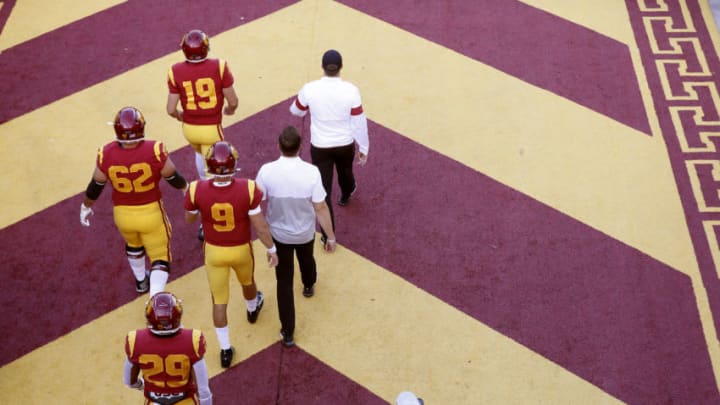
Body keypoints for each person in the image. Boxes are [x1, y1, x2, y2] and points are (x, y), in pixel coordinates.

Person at [184, 140, 278, 368]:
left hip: (214, 251)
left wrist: (201, 209)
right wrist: (271, 248)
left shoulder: (196, 189)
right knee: (247, 282)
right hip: (240, 248)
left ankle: (225, 349)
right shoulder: (247, 188)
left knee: (219, 301)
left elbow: (190, 218)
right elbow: (260, 225)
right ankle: (252, 309)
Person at [80, 106, 187, 297]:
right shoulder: (154, 149)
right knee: (160, 258)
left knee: (133, 245)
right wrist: (185, 189)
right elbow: (172, 176)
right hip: (151, 213)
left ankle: (140, 281)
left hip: (122, 214)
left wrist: (86, 206)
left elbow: (96, 184)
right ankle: (155, 299)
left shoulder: (106, 153)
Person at [255, 126, 337, 347]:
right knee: (307, 258)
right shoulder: (311, 172)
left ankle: (288, 331)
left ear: (279, 146)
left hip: (278, 234)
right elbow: (320, 207)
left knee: (283, 281)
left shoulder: (267, 171)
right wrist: (330, 236)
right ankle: (309, 284)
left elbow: (255, 202)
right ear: (300, 147)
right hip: (304, 232)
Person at [289, 49, 369, 245]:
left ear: (322, 67)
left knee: (323, 190)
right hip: (345, 143)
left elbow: (296, 111)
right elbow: (359, 121)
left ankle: (327, 235)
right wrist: (364, 147)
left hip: (320, 146)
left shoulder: (310, 89)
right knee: (346, 171)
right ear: (341, 68)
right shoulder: (351, 90)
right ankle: (347, 191)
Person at [167, 29, 239, 241]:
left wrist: (183, 116)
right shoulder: (219, 66)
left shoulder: (175, 70)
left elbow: (171, 109)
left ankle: (202, 183)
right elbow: (233, 101)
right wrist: (229, 110)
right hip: (211, 127)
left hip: (189, 129)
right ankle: (209, 224)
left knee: (202, 157)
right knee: (217, 180)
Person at [123, 291, 212, 405]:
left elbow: (129, 381)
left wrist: (143, 387)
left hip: (154, 401)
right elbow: (203, 391)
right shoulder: (192, 340)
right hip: (185, 400)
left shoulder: (135, 340)